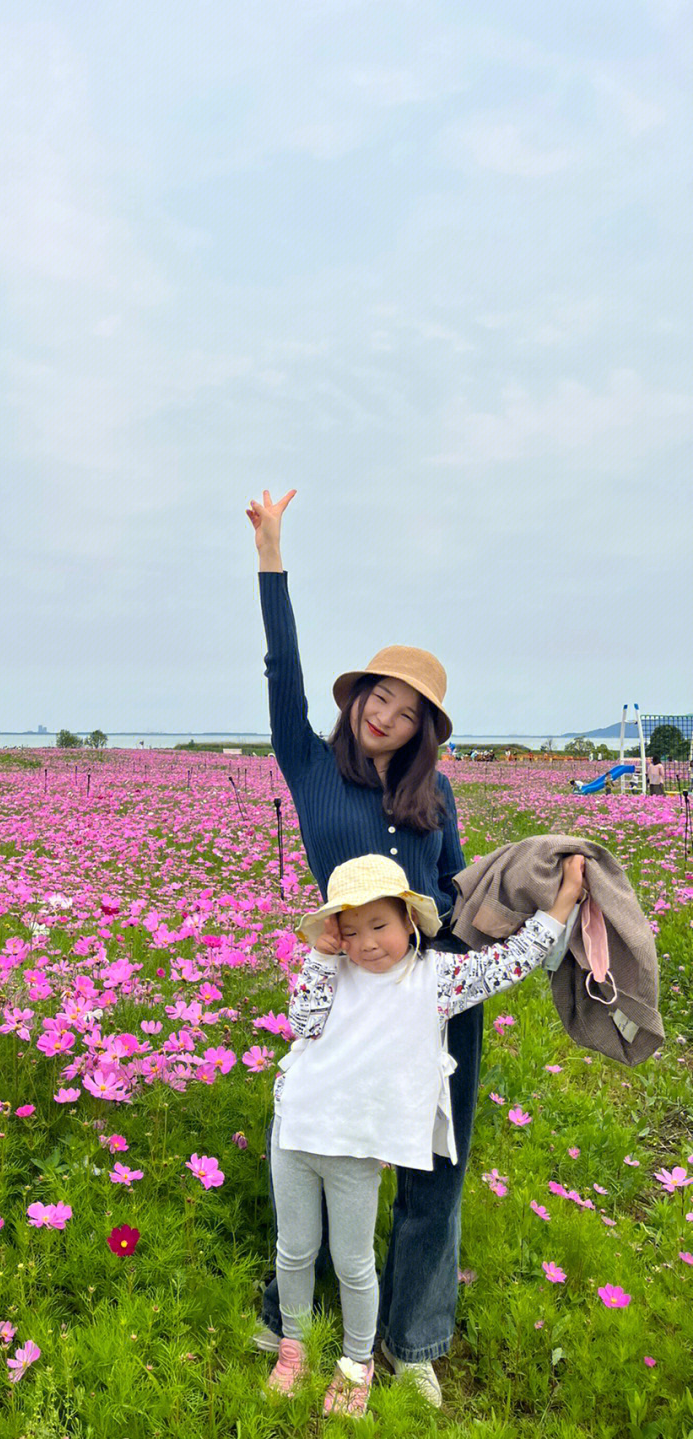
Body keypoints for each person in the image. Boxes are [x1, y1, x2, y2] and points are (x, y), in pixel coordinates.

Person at [247, 488, 470, 1407]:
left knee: (433, 1166)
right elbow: (283, 668)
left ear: (422, 731)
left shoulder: (438, 796)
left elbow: (453, 889)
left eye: (406, 709)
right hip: (344, 989)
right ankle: (290, 1318)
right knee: (319, 1132)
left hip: (429, 990)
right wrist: (272, 554)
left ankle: (411, 1341)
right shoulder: (309, 763)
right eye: (379, 694)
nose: (386, 713)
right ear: (358, 701)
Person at [267, 853, 586, 1415]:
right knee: (293, 1252)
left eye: (380, 925)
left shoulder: (435, 978)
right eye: (352, 929)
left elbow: (504, 965)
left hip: (356, 1146)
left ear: (409, 921)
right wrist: (318, 961)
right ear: (336, 933)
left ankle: (356, 1361)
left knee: (353, 1261)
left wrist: (559, 909)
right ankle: (292, 1347)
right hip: (296, 1129)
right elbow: (302, 1023)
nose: (367, 943)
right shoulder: (332, 971)